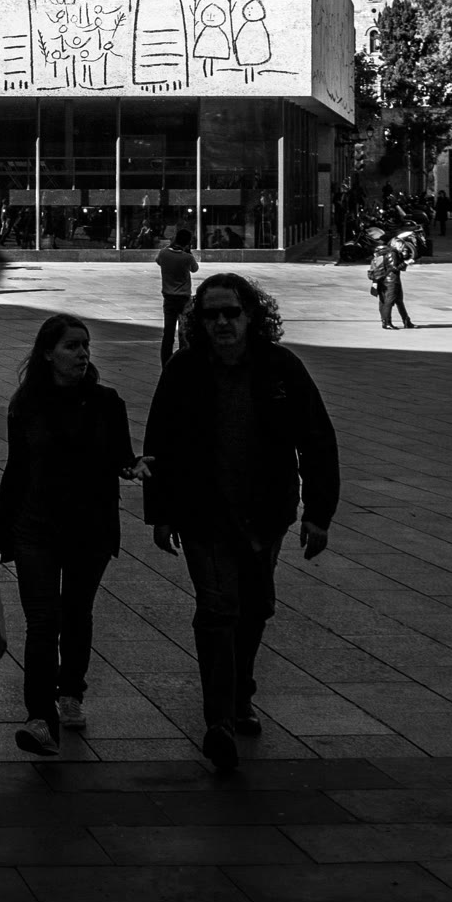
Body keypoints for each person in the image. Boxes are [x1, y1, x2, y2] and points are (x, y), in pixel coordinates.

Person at [144, 273, 340, 772]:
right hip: (203, 512)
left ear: (251, 315)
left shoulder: (280, 367)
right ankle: (219, 722)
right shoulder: (185, 370)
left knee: (255, 608)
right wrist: (161, 512)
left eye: (231, 312)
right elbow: (160, 440)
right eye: (211, 314)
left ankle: (240, 693)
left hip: (265, 512)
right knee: (217, 609)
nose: (222, 322)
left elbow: (316, 439)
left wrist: (318, 514)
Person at [0, 316, 146, 756]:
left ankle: (71, 690)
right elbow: (17, 470)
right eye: (72, 346)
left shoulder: (106, 402)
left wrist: (134, 466)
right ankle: (40, 718)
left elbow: (121, 456)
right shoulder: (26, 404)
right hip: (36, 528)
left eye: (85, 346)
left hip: (89, 529)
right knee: (42, 622)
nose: (82, 354)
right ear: (48, 353)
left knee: (76, 613)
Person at [155, 227, 200, 367]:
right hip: (184, 298)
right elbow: (195, 269)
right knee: (183, 333)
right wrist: (188, 251)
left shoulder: (163, 253)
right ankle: (182, 363)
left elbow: (158, 261)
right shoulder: (187, 257)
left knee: (168, 334)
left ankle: (166, 364)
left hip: (169, 298)